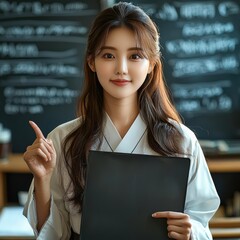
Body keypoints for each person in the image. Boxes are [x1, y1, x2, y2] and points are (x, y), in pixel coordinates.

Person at [23, 2, 220, 239]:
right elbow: (54, 233)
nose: (121, 69)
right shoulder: (63, 139)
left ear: (151, 65)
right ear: (91, 62)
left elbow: (201, 224)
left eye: (135, 55)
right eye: (108, 55)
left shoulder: (181, 140)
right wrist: (42, 179)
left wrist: (190, 231)